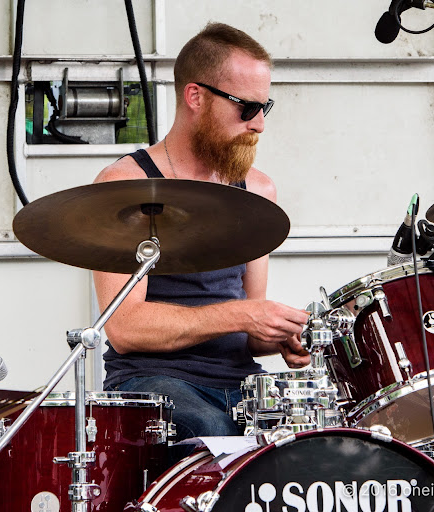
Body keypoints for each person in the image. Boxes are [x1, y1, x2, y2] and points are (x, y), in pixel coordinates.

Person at [93, 22, 310, 444]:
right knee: (213, 435)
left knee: (318, 434)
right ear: (196, 96)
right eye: (246, 108)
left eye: (266, 106)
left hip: (241, 383)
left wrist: (283, 336)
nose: (260, 124)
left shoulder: (259, 190)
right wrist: (244, 314)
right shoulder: (123, 184)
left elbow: (249, 331)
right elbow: (124, 326)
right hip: (153, 381)